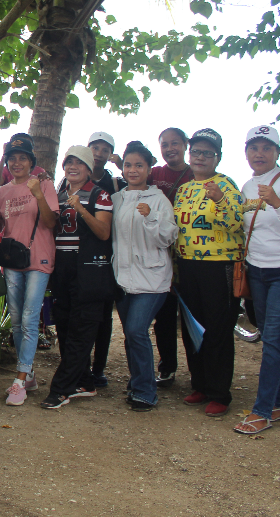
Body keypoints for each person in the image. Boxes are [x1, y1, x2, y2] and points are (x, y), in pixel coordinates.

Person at [173, 128, 244, 418]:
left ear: (218, 158)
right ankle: (199, 384)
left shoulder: (226, 184)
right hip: (187, 266)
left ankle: (219, 393)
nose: (200, 157)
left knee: (217, 330)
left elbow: (236, 223)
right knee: (193, 329)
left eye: (207, 153)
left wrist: (220, 200)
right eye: (196, 152)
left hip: (219, 266)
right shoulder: (184, 188)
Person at [40, 146, 114, 409]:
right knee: (65, 326)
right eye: (68, 162)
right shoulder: (58, 196)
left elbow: (104, 232)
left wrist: (82, 210)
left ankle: (61, 388)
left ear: (88, 168)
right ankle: (84, 382)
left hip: (90, 269)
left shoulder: (100, 195)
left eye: (79, 163)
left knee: (82, 330)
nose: (73, 167)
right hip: (63, 267)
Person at [111, 142, 178, 412]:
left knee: (137, 330)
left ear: (149, 169)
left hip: (152, 279)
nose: (133, 170)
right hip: (123, 278)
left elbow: (167, 238)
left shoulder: (159, 199)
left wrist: (151, 218)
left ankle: (146, 390)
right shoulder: (116, 199)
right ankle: (138, 381)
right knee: (131, 334)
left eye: (139, 165)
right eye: (128, 165)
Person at [0, 135, 59, 406]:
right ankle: (29, 373)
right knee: (18, 320)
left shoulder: (44, 184)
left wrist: (37, 194)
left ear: (32, 162)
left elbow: (50, 221)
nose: (17, 162)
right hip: (12, 262)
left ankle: (19, 380)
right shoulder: (2, 192)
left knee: (31, 319)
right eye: (13, 158)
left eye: (23, 158)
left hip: (39, 259)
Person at [234, 125, 280, 434]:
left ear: (277, 152)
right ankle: (278, 402)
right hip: (257, 270)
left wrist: (278, 204)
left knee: (274, 342)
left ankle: (261, 410)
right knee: (271, 338)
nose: (259, 153)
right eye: (253, 148)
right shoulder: (247, 187)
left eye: (266, 148)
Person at [148, 127, 193, 388]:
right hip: (161, 252)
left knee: (190, 315)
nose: (169, 149)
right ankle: (167, 369)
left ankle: (198, 372)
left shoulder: (194, 173)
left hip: (189, 252)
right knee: (164, 316)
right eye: (164, 144)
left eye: (175, 143)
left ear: (185, 145)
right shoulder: (156, 174)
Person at [84, 131, 126, 388]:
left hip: (107, 255)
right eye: (95, 148)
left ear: (111, 154)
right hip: (79, 255)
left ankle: (98, 368)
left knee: (104, 315)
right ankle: (81, 366)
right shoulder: (74, 178)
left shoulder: (116, 183)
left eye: (105, 149)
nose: (99, 153)